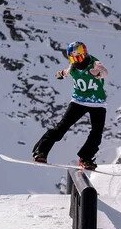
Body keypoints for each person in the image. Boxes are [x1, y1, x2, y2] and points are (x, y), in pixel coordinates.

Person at [32, 41, 108, 170]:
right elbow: (66, 72)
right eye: (73, 58)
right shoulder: (73, 66)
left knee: (97, 133)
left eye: (79, 57)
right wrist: (60, 74)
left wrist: (98, 73)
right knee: (62, 127)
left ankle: (86, 158)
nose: (77, 61)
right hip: (78, 101)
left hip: (98, 103)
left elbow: (105, 71)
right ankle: (41, 151)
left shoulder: (94, 63)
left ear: (85, 54)